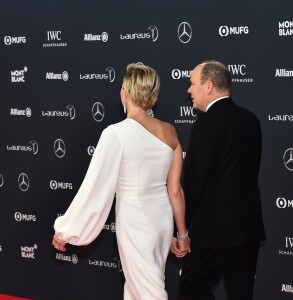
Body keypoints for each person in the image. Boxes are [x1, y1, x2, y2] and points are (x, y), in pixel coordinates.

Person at [52, 64, 191, 300]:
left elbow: (93, 189)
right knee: (138, 288)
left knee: (149, 293)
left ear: (125, 93)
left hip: (136, 221)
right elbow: (175, 190)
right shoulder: (170, 132)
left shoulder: (115, 133)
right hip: (162, 221)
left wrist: (65, 231)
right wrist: (182, 234)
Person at [171, 60, 266, 300]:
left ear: (209, 86)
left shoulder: (205, 125)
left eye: (192, 84)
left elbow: (194, 183)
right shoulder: (251, 121)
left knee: (191, 290)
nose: (189, 90)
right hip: (247, 229)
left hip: (211, 232)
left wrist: (182, 231)